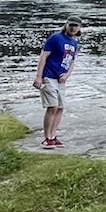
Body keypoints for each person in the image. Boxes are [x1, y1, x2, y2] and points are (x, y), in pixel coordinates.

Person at [33, 15, 81, 148]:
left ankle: (53, 136)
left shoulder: (74, 43)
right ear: (66, 25)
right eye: (71, 25)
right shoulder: (55, 38)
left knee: (60, 107)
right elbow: (43, 56)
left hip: (61, 79)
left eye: (75, 26)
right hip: (48, 76)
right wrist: (38, 76)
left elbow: (72, 62)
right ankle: (46, 138)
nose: (73, 28)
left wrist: (67, 75)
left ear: (79, 28)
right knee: (52, 106)